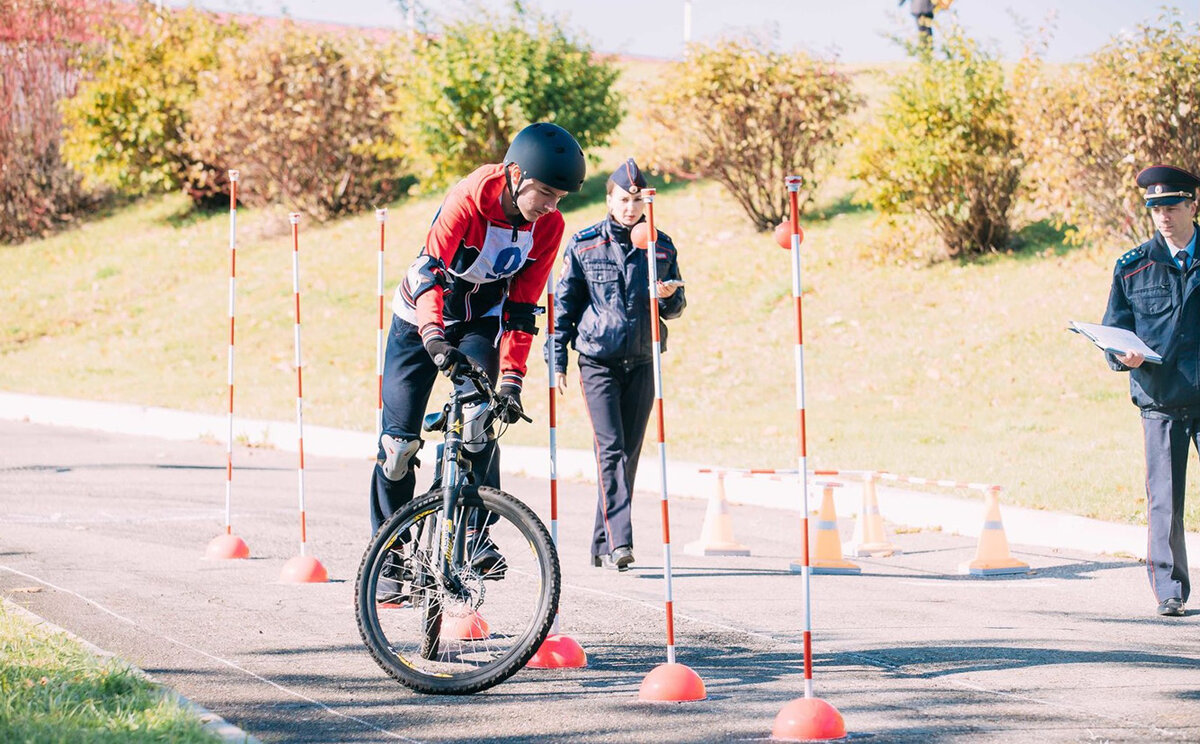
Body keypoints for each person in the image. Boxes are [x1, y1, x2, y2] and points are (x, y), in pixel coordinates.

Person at [370, 122, 585, 599]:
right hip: (419, 318)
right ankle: (392, 556)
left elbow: (523, 305)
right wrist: (432, 338)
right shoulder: (469, 197)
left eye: (561, 198)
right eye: (546, 193)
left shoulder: (549, 226)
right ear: (514, 175)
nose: (552, 206)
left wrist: (511, 378)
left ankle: (472, 535)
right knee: (397, 448)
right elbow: (428, 274)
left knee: (479, 420)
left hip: (478, 320)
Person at [551, 158, 686, 571]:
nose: (630, 208)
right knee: (609, 450)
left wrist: (665, 296)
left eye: (636, 201)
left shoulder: (661, 245)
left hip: (644, 360)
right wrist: (556, 359)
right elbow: (564, 305)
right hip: (598, 360)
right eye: (623, 200)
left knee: (628, 454)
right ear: (609, 199)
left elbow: (677, 307)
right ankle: (621, 543)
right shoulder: (585, 243)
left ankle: (600, 540)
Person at [1101, 163, 1200, 617]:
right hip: (1159, 401)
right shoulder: (1132, 266)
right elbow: (1113, 331)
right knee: (1164, 499)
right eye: (1155, 207)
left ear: (1192, 205)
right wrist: (1121, 355)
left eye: (1171, 205)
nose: (1163, 215)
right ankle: (1170, 590)